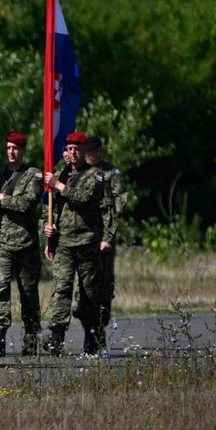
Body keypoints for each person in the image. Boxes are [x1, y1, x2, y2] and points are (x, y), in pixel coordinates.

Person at [42, 131, 107, 355]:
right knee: (60, 289)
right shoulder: (61, 174)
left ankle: (93, 336)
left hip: (87, 242)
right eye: (68, 149)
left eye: (76, 149)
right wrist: (47, 228)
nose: (71, 153)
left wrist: (59, 186)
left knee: (88, 293)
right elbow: (49, 208)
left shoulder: (96, 175)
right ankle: (56, 336)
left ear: (85, 152)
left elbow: (87, 199)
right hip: (64, 244)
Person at [0, 132, 44, 357]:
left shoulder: (33, 175)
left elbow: (26, 203)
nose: (11, 151)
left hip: (26, 246)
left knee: (28, 295)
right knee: (0, 290)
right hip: (3, 246)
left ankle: (31, 337)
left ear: (23, 150)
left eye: (16, 147)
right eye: (8, 147)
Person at [80, 135, 126, 330]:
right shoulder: (79, 171)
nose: (97, 155)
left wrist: (109, 230)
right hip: (83, 233)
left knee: (104, 278)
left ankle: (103, 312)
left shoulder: (110, 171)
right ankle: (85, 311)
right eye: (92, 152)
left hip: (104, 232)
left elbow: (119, 201)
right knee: (85, 277)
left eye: (99, 151)